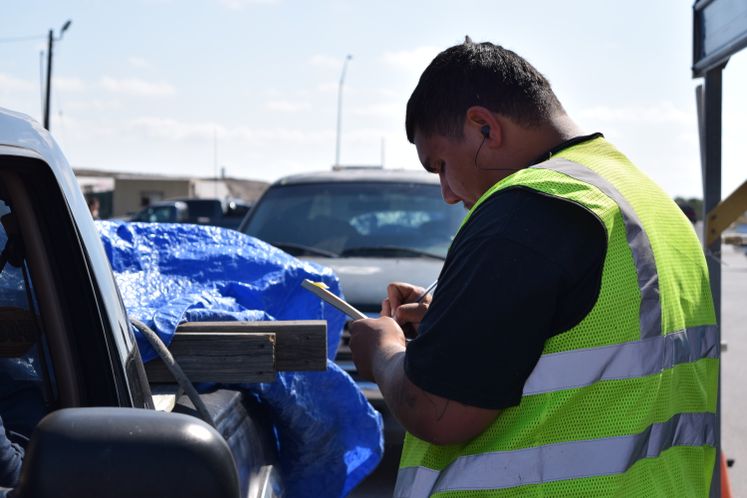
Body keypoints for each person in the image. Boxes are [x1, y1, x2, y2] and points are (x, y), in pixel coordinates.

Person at [348, 39, 718, 497]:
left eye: (440, 165)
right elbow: (606, 339)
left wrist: (383, 352)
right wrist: (462, 318)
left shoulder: (526, 208)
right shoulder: (651, 203)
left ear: (484, 128)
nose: (446, 192)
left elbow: (437, 410)